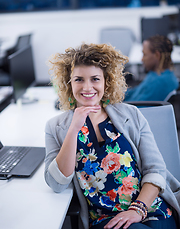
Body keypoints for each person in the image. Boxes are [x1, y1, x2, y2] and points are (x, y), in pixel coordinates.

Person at [44, 43, 180, 229]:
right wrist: (73, 129)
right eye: (79, 80)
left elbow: (155, 170)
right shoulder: (56, 127)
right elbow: (56, 183)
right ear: (69, 83)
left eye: (95, 79)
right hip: (107, 219)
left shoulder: (131, 115)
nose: (87, 87)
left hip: (149, 207)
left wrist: (137, 210)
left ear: (106, 81)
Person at [125, 35, 179, 101]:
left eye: (145, 54)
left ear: (157, 55)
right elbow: (136, 91)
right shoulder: (155, 74)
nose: (142, 59)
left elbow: (137, 107)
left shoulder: (159, 82)